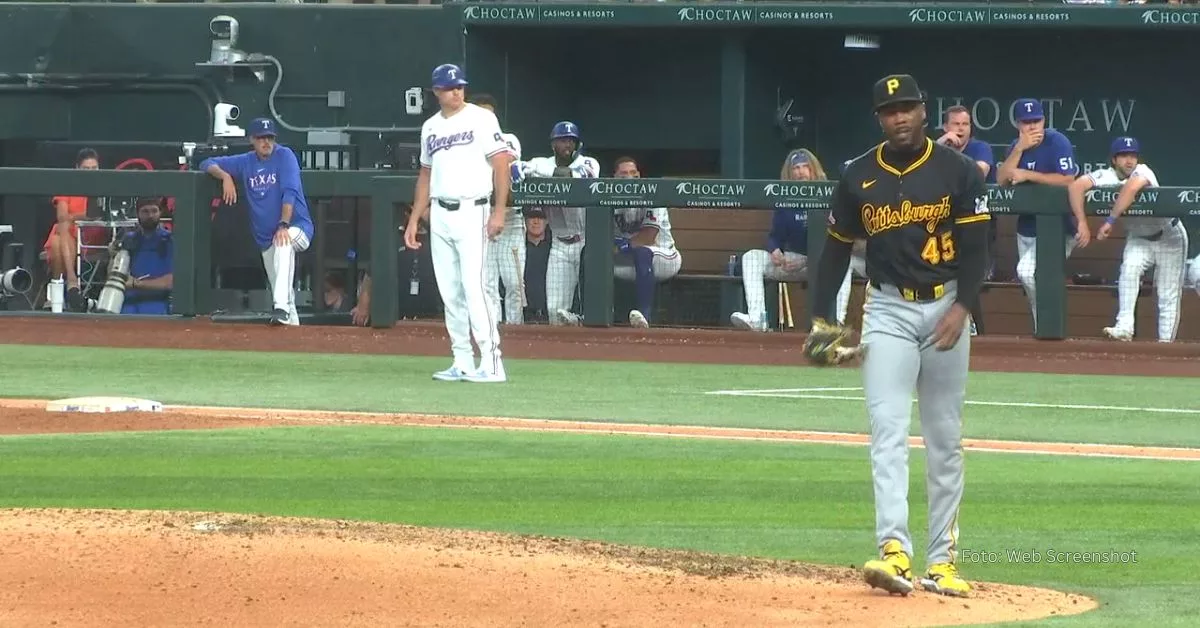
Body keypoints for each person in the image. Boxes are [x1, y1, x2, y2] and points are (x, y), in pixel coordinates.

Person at [806, 74, 989, 599]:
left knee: (944, 438)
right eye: (890, 110)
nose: (900, 117)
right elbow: (836, 251)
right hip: (886, 308)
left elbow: (978, 247)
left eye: (907, 107)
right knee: (886, 429)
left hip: (946, 306)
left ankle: (943, 561)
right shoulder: (858, 175)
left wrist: (965, 306)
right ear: (879, 118)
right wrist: (822, 321)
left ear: (923, 111)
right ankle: (894, 551)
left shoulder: (956, 171)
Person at [406, 63, 513, 383]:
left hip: (474, 209)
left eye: (460, 86)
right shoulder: (430, 127)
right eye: (450, 87)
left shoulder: (482, 118)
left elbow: (501, 165)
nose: (457, 91)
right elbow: (425, 175)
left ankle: (493, 362)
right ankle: (462, 360)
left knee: (475, 287)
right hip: (439, 212)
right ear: (436, 91)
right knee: (450, 291)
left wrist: (499, 211)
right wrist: (414, 219)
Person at [200, 117, 314, 326]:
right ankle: (294, 335)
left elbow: (289, 193)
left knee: (284, 242)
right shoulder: (246, 161)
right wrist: (225, 177)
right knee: (283, 288)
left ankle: (279, 306)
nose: (266, 142)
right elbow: (206, 163)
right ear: (252, 139)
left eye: (270, 138)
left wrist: (283, 225)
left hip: (297, 228)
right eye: (261, 138)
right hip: (265, 239)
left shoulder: (285, 156)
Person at [1072, 137, 1188, 342]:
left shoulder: (1143, 171)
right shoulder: (1105, 176)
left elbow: (1131, 188)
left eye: (1132, 155)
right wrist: (1081, 221)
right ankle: (1125, 327)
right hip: (1139, 238)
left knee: (1167, 294)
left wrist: (1109, 221)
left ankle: (1166, 345)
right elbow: (1076, 187)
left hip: (1168, 236)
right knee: (1128, 272)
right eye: (1124, 155)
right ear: (1114, 159)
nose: (1129, 160)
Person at [995, 98, 1087, 333]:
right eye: (1027, 122)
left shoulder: (1057, 142)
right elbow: (1001, 181)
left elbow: (1067, 179)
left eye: (1036, 120)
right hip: (1026, 228)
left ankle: (1049, 328)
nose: (1032, 127)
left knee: (1027, 272)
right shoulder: (1017, 146)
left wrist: (1028, 174)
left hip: (1058, 229)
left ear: (1044, 120)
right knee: (1031, 280)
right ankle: (1043, 335)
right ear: (1018, 124)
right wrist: (1018, 149)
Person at [730, 149, 840, 330]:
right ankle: (757, 319)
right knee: (752, 257)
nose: (801, 172)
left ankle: (835, 322)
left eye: (805, 167)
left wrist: (807, 260)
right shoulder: (786, 197)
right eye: (796, 168)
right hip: (792, 261)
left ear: (814, 170)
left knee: (840, 262)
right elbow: (775, 236)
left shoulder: (828, 194)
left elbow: (836, 242)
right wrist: (775, 251)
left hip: (821, 264)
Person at [512, 122, 600, 326]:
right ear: (553, 144)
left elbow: (568, 176)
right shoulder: (541, 161)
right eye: (562, 140)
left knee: (589, 309)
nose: (567, 144)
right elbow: (517, 167)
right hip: (559, 245)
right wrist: (519, 168)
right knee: (554, 311)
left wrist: (537, 172)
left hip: (585, 242)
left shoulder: (589, 163)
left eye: (571, 140)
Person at [937, 105, 997, 335]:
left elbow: (978, 173)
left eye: (965, 124)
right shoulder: (939, 148)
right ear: (946, 127)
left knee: (970, 273)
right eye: (956, 124)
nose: (961, 129)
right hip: (946, 224)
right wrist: (943, 143)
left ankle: (976, 328)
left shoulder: (980, 147)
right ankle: (965, 325)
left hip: (978, 224)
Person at [471, 93, 526, 326]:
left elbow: (502, 164)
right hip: (482, 217)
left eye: (489, 114)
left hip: (511, 219)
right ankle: (492, 331)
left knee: (514, 283)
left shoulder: (508, 138)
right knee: (487, 283)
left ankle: (516, 329)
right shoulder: (465, 143)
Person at [611, 156, 681, 328]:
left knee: (643, 252)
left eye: (633, 173)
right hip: (627, 259)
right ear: (614, 178)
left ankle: (644, 315)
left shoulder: (652, 193)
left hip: (664, 258)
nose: (629, 178)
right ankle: (595, 314)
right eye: (623, 174)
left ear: (639, 176)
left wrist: (619, 246)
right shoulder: (609, 197)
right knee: (596, 260)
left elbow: (648, 236)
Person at [44, 148, 104, 311]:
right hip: (68, 236)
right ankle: (71, 282)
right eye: (86, 169)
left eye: (94, 169)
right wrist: (84, 216)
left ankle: (55, 295)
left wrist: (75, 216)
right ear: (77, 168)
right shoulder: (67, 185)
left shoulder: (104, 186)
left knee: (59, 236)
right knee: (61, 232)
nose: (91, 173)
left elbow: (97, 215)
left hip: (91, 238)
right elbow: (62, 216)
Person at [117, 197, 174, 314]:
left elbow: (171, 282)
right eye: (145, 211)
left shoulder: (170, 240)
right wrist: (114, 255)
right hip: (128, 303)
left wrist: (135, 284)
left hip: (158, 302)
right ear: (137, 213)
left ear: (160, 212)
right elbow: (115, 276)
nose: (150, 215)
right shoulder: (128, 239)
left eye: (154, 211)